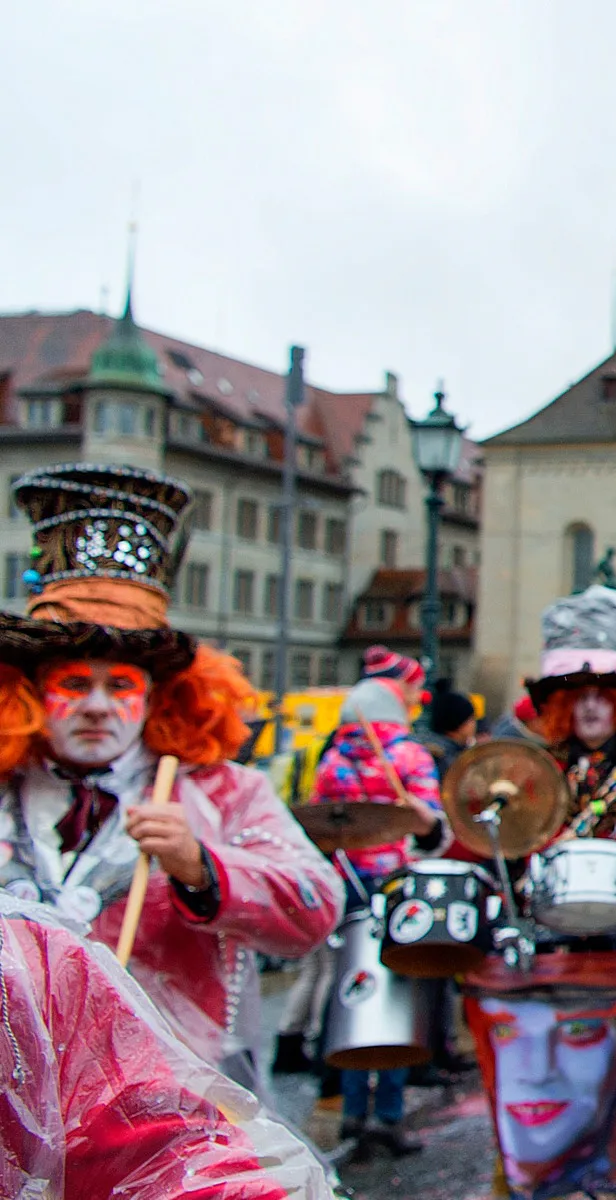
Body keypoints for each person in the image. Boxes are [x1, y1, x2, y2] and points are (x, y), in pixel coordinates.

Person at [0, 463, 341, 1091]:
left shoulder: (222, 793)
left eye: (121, 685)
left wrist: (201, 867)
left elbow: (316, 906)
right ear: (30, 693)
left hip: (173, 1116)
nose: (98, 706)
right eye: (73, 683)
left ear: (160, 696)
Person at [458, 585, 616, 1200]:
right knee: (540, 1083)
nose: (593, 707)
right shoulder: (525, 769)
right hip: (545, 956)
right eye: (581, 693)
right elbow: (481, 848)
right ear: (562, 702)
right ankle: (538, 1179)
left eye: (608, 693)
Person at [0, 892, 336, 1199]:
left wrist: (199, 867)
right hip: (125, 1055)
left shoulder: (34, 963)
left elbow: (148, 1148)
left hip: (188, 1058)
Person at [309, 668, 450, 1157]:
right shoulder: (408, 756)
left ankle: (352, 1110)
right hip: (397, 886)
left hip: (347, 886)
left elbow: (317, 826)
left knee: (354, 992)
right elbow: (432, 827)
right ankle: (388, 1114)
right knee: (397, 995)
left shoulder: (332, 761)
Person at [420, 681, 480, 778]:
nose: (474, 724)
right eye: (471, 719)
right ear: (460, 724)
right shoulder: (442, 757)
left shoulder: (453, 751)